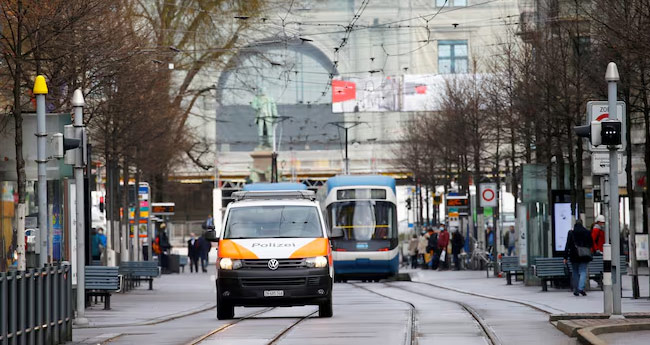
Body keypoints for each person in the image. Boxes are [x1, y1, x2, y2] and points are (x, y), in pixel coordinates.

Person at [564, 220, 594, 296]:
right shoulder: (587, 232)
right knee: (583, 271)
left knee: (575, 272)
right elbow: (591, 243)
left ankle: (576, 289)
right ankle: (581, 288)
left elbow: (567, 245)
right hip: (584, 255)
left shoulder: (571, 233)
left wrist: (565, 257)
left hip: (574, 255)